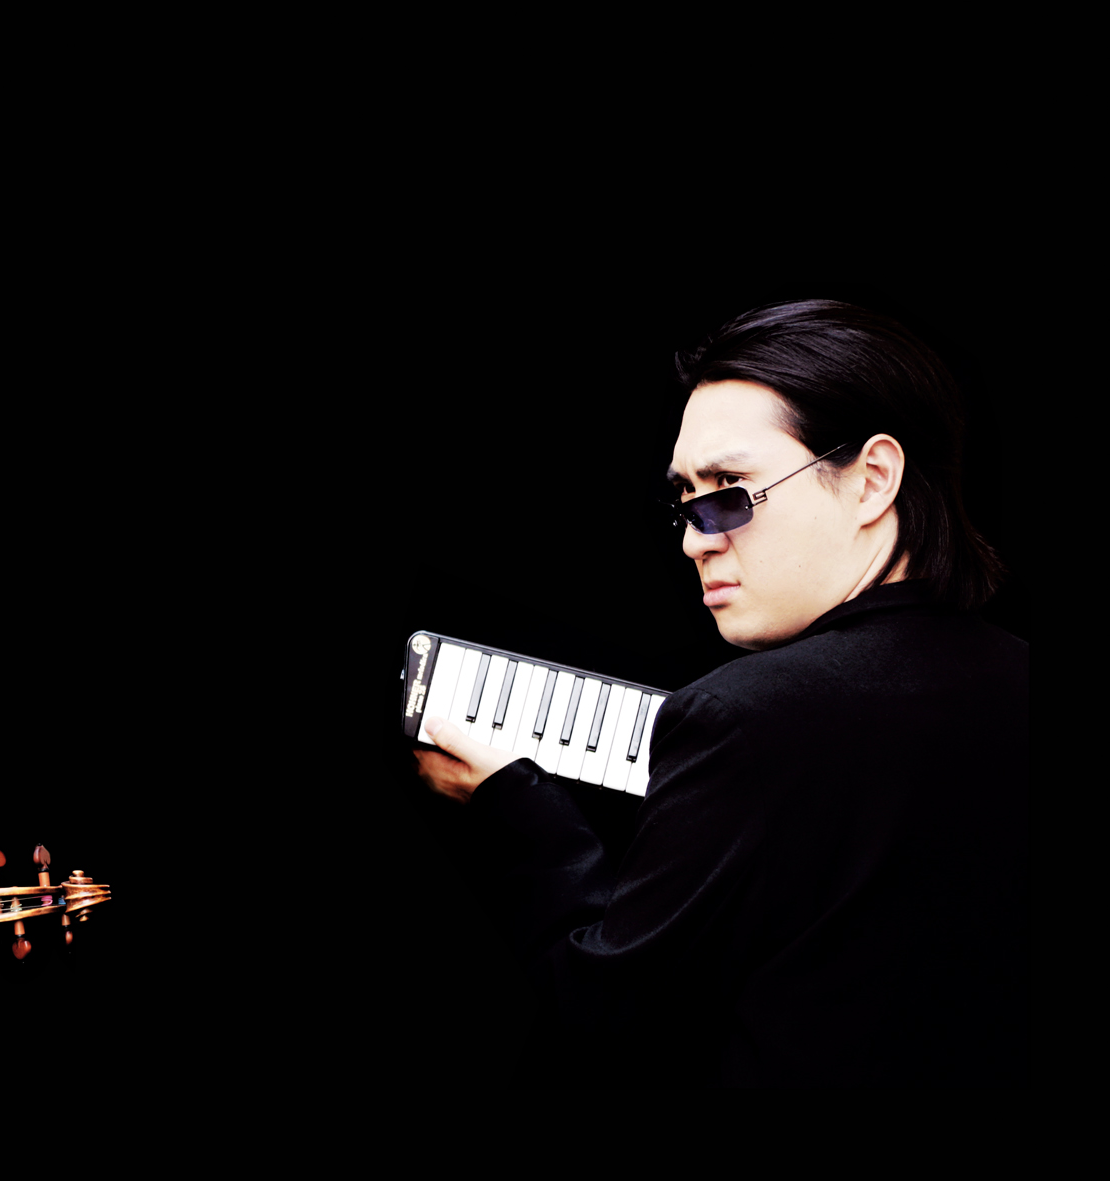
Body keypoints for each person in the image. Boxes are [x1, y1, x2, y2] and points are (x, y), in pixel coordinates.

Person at [414, 300, 1027, 1085]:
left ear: (872, 479)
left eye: (730, 489)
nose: (693, 538)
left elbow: (602, 1027)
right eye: (684, 500)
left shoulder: (746, 719)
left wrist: (514, 810)